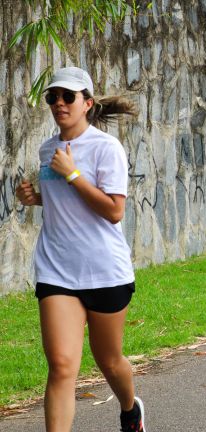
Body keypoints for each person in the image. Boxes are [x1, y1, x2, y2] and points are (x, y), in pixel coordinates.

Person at [15, 67, 146, 431]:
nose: (59, 103)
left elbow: (113, 210)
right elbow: (63, 203)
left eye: (67, 97)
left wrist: (73, 175)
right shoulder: (47, 148)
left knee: (109, 360)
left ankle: (129, 409)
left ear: (87, 103)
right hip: (57, 269)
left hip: (104, 271)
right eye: (52, 97)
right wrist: (36, 198)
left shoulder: (107, 148)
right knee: (60, 365)